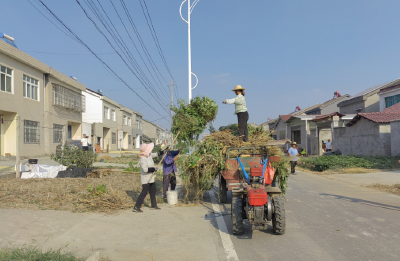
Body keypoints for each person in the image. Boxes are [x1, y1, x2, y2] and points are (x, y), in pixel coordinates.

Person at [133, 143, 161, 213]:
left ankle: (153, 205)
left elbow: (155, 154)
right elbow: (145, 170)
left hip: (151, 178)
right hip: (146, 178)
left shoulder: (149, 155)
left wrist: (163, 152)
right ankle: (136, 207)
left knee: (153, 191)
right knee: (144, 192)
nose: (150, 150)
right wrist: (154, 169)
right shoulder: (143, 159)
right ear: (145, 150)